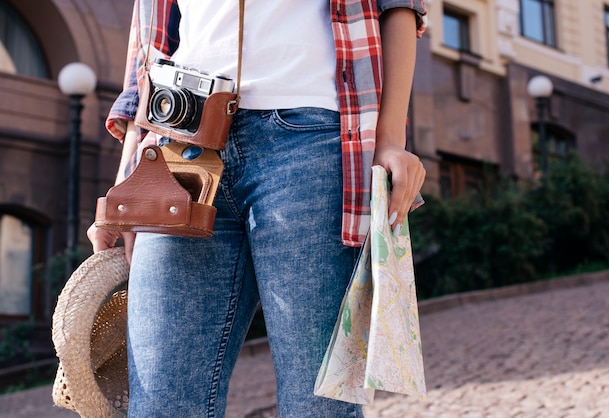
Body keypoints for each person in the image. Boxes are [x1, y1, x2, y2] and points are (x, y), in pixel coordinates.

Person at [88, 0, 428, 416]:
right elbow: (150, 40)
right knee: (161, 403)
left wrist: (390, 137)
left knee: (318, 405)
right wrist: (129, 183)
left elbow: (400, 5)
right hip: (178, 139)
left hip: (313, 136)